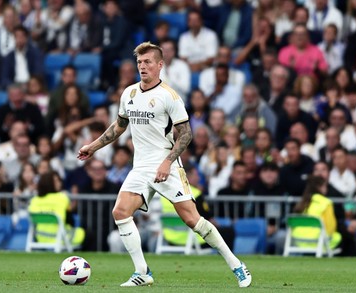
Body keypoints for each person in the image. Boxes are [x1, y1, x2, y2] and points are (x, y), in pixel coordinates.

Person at [77, 42, 251, 288]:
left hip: (165, 164)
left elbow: (186, 134)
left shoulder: (169, 96)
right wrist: (92, 147)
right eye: (139, 62)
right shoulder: (129, 93)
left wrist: (167, 162)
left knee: (193, 220)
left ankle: (236, 265)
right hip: (140, 166)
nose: (142, 66)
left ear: (160, 65)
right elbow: (119, 126)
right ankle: (143, 272)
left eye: (148, 62)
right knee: (120, 212)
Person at [28, 171, 85, 248]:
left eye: (59, 180)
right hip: (61, 237)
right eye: (56, 181)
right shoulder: (62, 197)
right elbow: (70, 220)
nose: (59, 183)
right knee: (87, 234)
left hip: (39, 237)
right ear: (48, 183)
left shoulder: (35, 200)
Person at [292, 175, 342, 251]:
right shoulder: (326, 203)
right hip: (317, 240)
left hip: (298, 239)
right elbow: (331, 227)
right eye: (325, 186)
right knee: (339, 236)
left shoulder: (302, 203)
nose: (326, 188)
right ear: (319, 187)